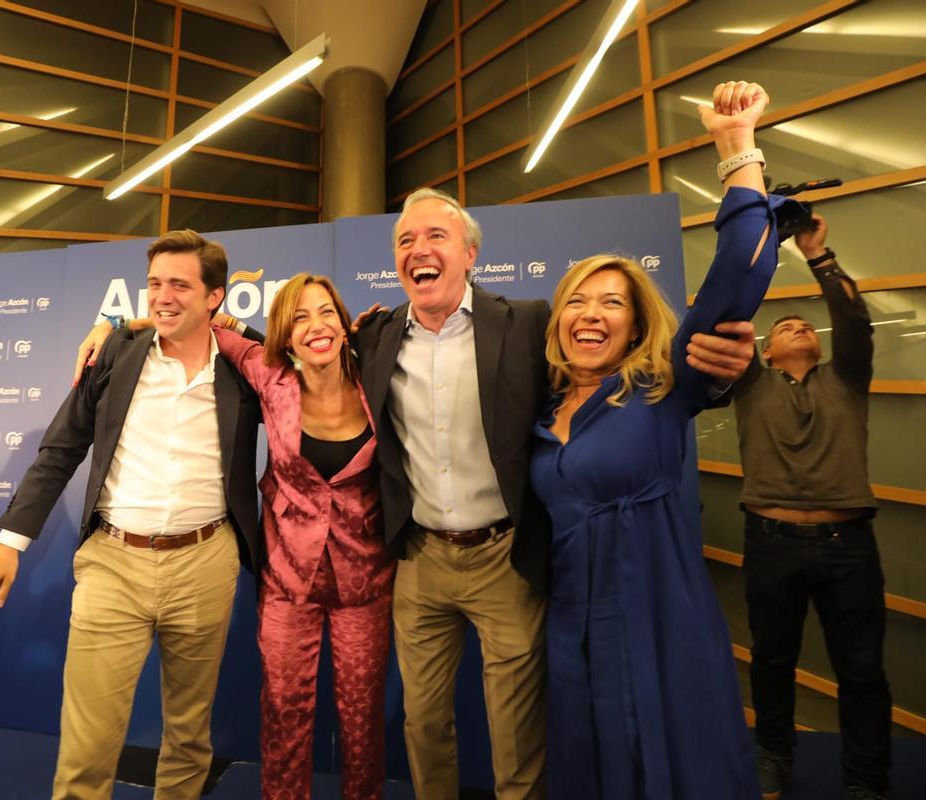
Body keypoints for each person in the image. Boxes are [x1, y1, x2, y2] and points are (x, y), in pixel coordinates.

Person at [350, 165, 758, 797]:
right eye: (405, 240)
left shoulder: (528, 321)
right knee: (421, 721)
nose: (418, 250)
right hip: (421, 560)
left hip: (505, 559)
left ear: (469, 252)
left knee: (519, 732)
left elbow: (611, 372)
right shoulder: (373, 337)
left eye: (435, 235)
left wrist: (723, 376)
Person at [530, 80, 778, 798]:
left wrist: (737, 147)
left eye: (612, 302)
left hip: (662, 619)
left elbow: (746, 264)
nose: (591, 312)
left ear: (637, 324)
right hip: (573, 627)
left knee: (684, 763)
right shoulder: (540, 412)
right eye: (577, 298)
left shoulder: (667, 382)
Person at [0, 229, 264, 800]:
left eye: (180, 285)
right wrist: (9, 543)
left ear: (215, 297)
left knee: (188, 735)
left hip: (206, 563)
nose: (163, 296)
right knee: (87, 747)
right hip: (112, 564)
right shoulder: (113, 354)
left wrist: (233, 330)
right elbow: (59, 451)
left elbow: (306, 353)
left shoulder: (242, 366)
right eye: (155, 283)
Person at [104, 275, 394, 799]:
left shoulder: (375, 377)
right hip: (286, 582)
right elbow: (197, 318)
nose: (316, 326)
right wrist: (115, 324)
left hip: (366, 583)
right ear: (284, 335)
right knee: (284, 713)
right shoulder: (270, 375)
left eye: (325, 312)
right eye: (300, 317)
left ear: (344, 322)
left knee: (362, 719)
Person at [735, 214, 891, 800]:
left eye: (806, 324)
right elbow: (729, 315)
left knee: (862, 673)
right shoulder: (752, 384)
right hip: (770, 541)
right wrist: (758, 245)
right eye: (784, 327)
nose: (798, 328)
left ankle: (866, 781)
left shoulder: (847, 378)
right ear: (768, 353)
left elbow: (852, 318)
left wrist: (816, 254)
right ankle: (773, 753)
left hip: (847, 544)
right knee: (772, 660)